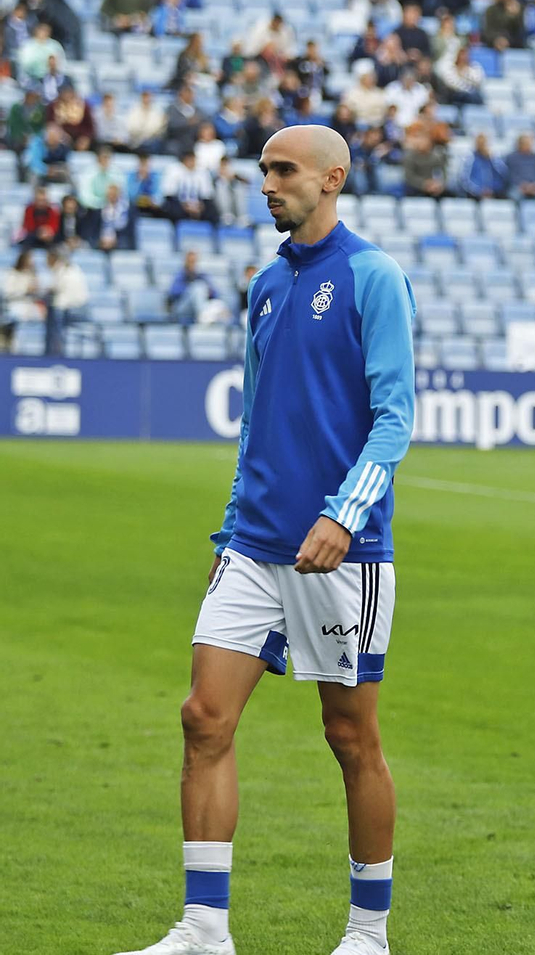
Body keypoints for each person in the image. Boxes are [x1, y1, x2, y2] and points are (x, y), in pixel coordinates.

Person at [116, 125, 414, 955]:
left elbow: (395, 417)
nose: (268, 184)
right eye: (264, 170)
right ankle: (204, 929)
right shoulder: (266, 285)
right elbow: (255, 424)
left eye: (284, 170)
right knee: (203, 717)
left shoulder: (373, 276)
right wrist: (231, 523)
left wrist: (343, 513)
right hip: (253, 544)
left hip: (343, 551)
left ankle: (368, 933)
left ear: (333, 178)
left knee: (350, 737)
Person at [44, 244, 90, 356]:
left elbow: (57, 292)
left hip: (74, 308)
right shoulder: (74, 268)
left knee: (54, 315)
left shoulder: (61, 269)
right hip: (80, 307)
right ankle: (55, 347)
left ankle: (57, 349)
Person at [166, 249, 221, 324]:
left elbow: (215, 294)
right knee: (197, 288)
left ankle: (205, 316)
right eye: (190, 261)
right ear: (186, 261)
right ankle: (203, 315)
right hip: (182, 307)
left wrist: (208, 292)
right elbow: (174, 292)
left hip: (198, 306)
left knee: (218, 304)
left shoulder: (201, 275)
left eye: (194, 261)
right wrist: (191, 287)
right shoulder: (181, 275)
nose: (192, 263)